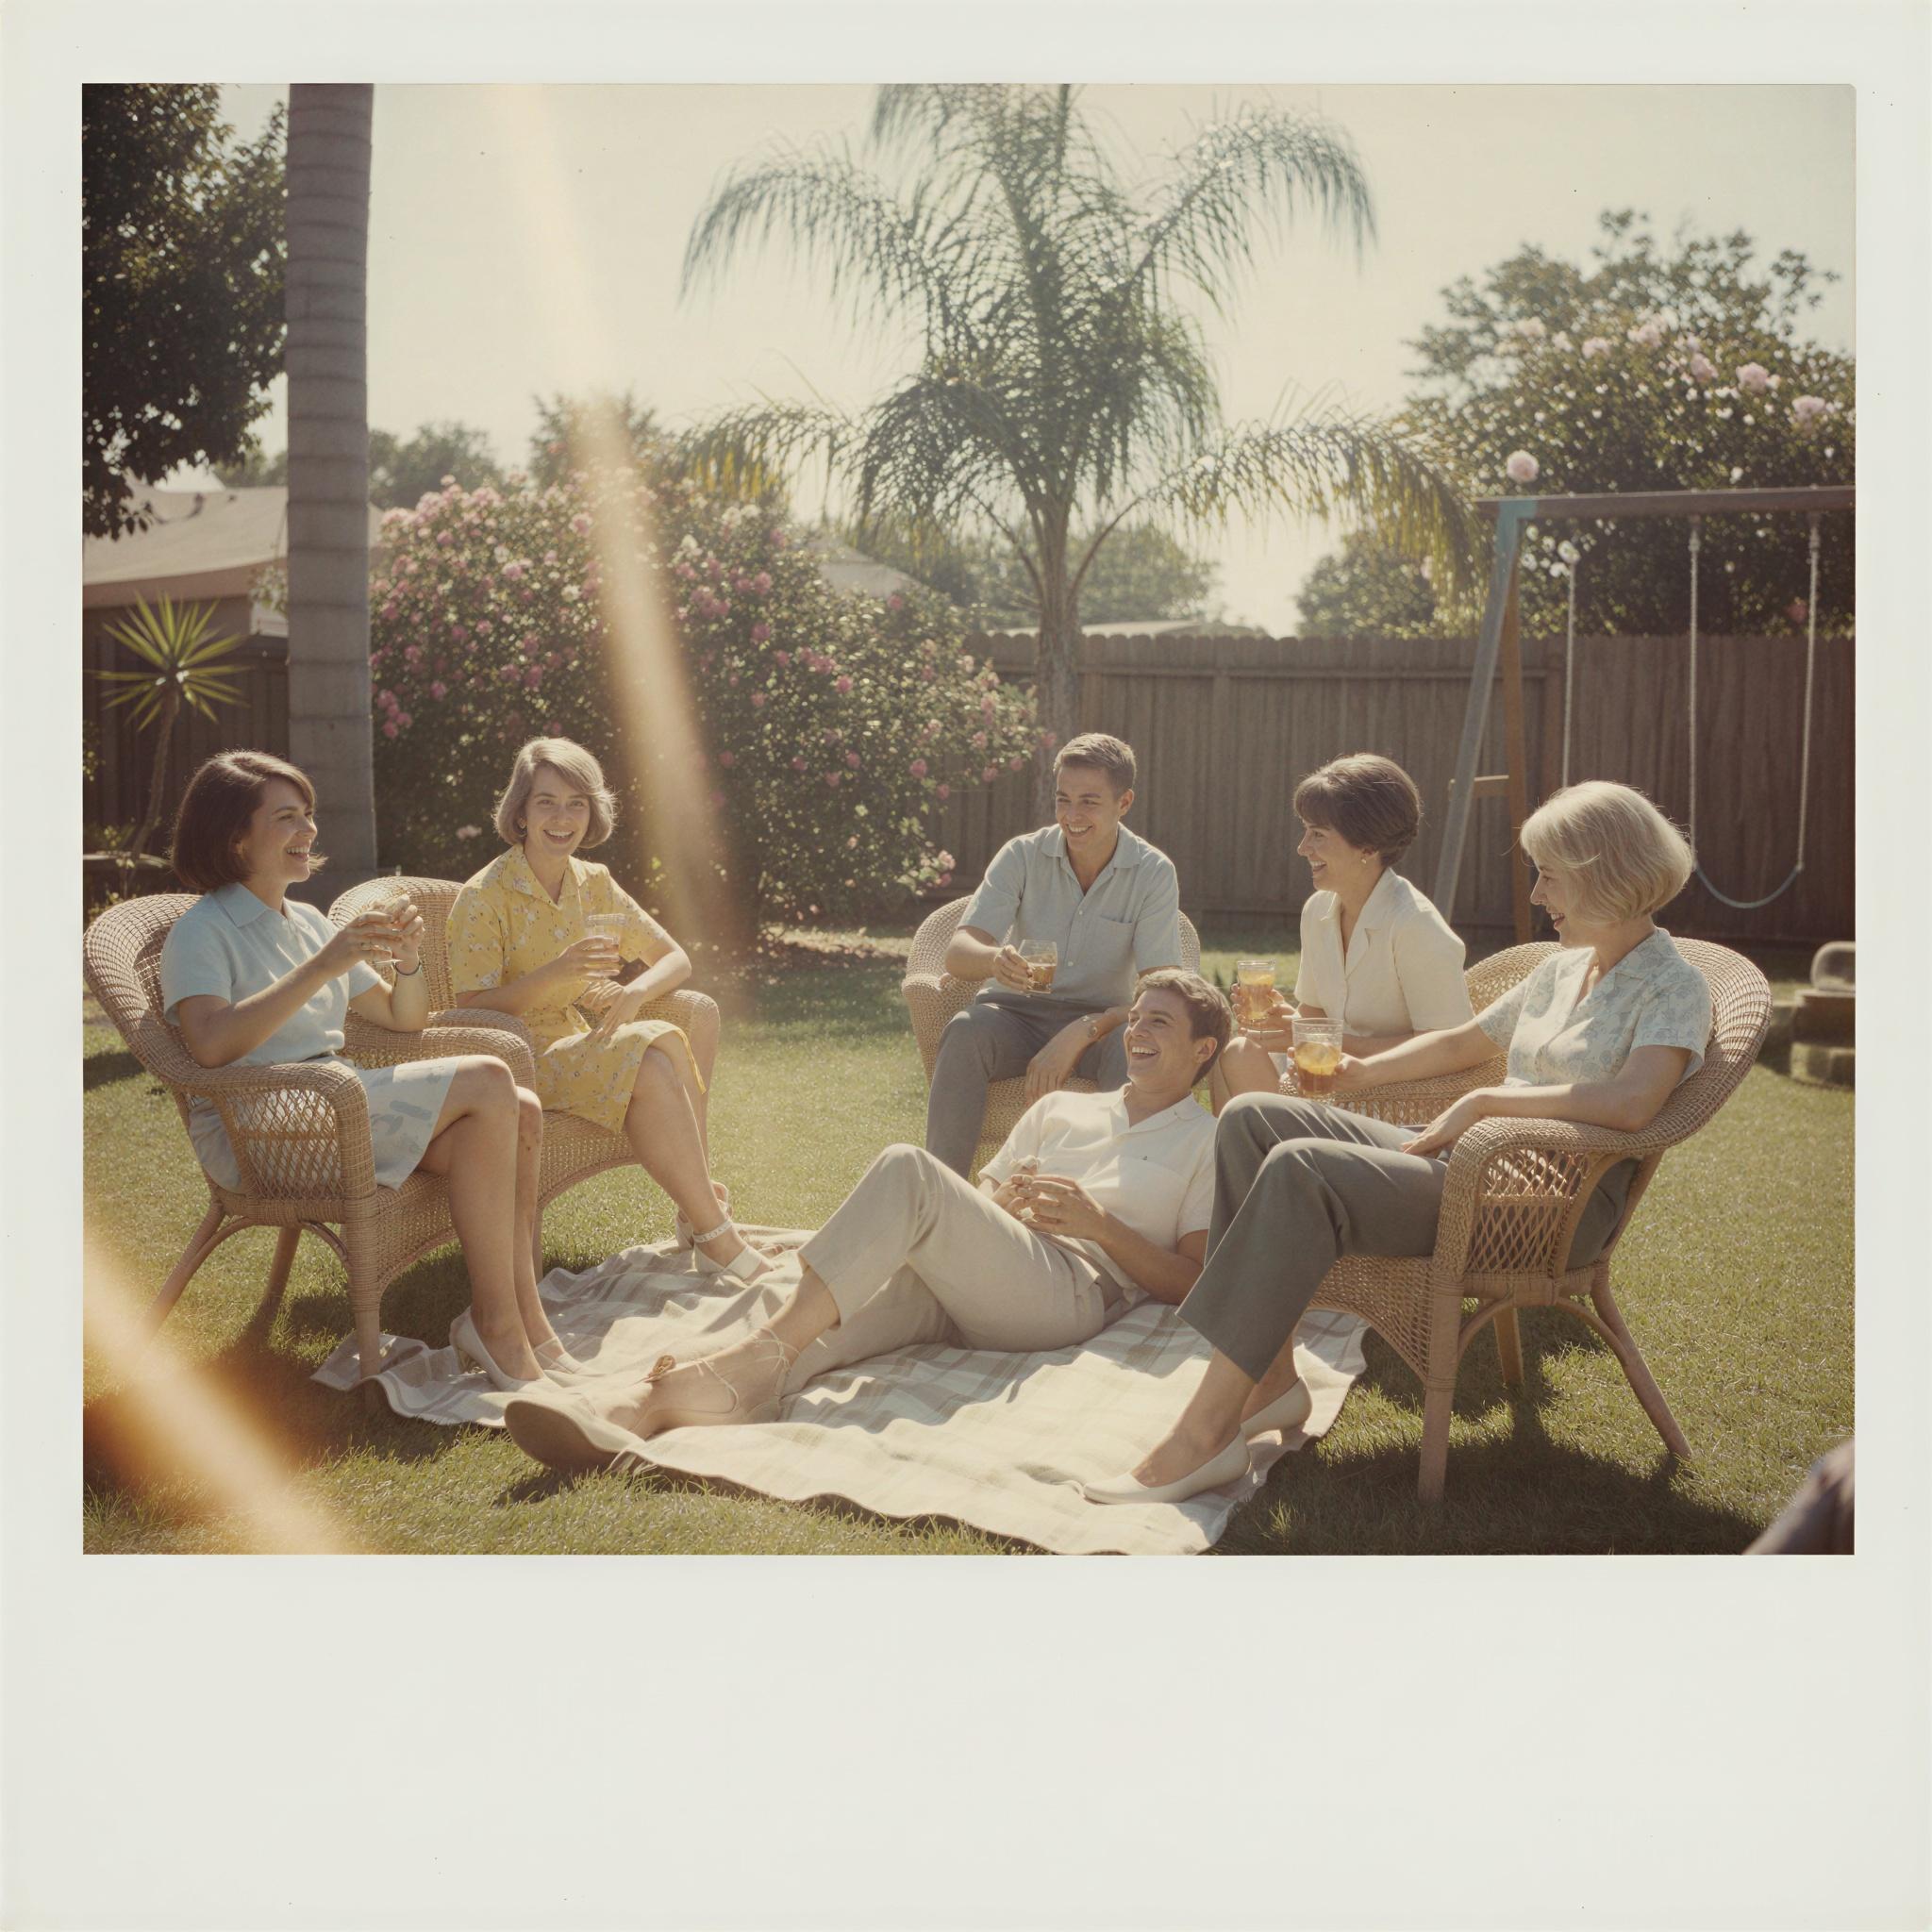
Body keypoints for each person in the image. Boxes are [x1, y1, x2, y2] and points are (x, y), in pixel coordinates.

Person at [1087, 779, 1716, 1506]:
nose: (1537, 893)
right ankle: (1273, 1380)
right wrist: (1362, 1071)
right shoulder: (1564, 968)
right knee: (1254, 1118)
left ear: (1603, 874)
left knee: (1299, 1167)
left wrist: (1486, 1100)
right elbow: (1463, 1041)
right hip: (1471, 1164)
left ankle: (1203, 1435)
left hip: (1545, 1206)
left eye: (1549, 875)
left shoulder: (1673, 985)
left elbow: (1634, 1103)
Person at [499, 973, 1281, 1473]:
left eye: (1160, 1024)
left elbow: (1194, 1280)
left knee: (909, 1169)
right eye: (1135, 1018)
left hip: (1070, 1292)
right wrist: (1000, 1207)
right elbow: (980, 1198)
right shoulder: (1061, 1110)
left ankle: (741, 1368)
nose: (1137, 1033)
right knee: (823, 1313)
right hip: (986, 1272)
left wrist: (1103, 1226)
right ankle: (649, 1401)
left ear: (1203, 1050)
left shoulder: (1207, 1142)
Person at [158, 750, 565, 1388]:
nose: (309, 829)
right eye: (287, 817)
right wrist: (324, 965)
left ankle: (519, 1318)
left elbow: (404, 1018)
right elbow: (210, 1045)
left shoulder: (307, 922)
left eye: (308, 813)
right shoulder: (201, 931)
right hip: (260, 1130)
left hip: (338, 1104)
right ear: (235, 837)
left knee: (523, 1111)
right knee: (491, 1079)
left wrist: (407, 959)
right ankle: (497, 1326)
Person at [445, 736, 768, 1284]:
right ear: (520, 812)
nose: (562, 818)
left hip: (574, 1042)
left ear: (591, 812)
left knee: (687, 1023)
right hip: (513, 1062)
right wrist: (558, 973)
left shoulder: (593, 882)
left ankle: (700, 1218)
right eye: (546, 802)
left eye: (576, 803)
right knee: (650, 1062)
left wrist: (633, 993)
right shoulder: (485, 895)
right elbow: (468, 1009)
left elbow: (675, 959)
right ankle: (714, 1231)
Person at [926, 732, 1183, 1175]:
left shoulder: (1153, 871)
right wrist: (993, 960)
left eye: (1089, 802)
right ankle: (940, 1193)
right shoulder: (1022, 855)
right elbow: (958, 952)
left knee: (1134, 1047)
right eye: (1063, 800)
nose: (1071, 816)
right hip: (1013, 1017)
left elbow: (1161, 988)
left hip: (1104, 1025)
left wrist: (1084, 1030)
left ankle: (1114, 1194)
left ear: (1124, 803)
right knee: (965, 1031)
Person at [1212, 753, 1471, 1112]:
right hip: (1325, 1086)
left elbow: (1448, 1049)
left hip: (1394, 1102)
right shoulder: (1318, 911)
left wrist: (1322, 1040)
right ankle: (1257, 1148)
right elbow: (1314, 1013)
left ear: (1368, 846)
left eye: (1318, 835)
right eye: (1306, 831)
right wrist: (1285, 1022)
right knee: (1236, 1051)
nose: (1303, 848)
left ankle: (1278, 1145)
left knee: (1244, 1083)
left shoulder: (1416, 926)